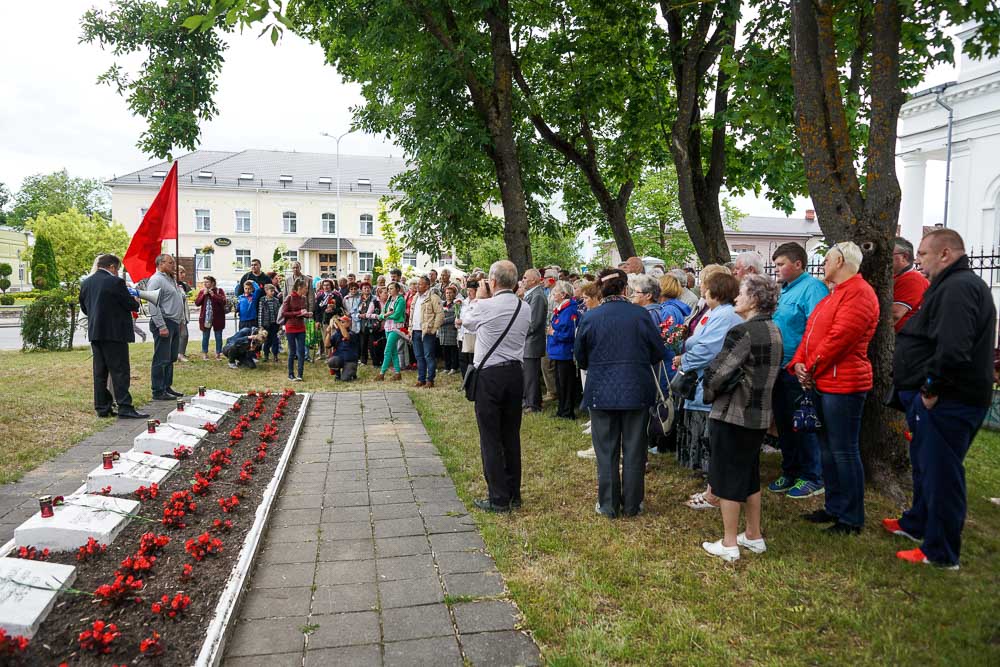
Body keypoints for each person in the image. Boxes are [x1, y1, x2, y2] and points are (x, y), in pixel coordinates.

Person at [887, 229, 996, 569]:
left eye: (922, 254)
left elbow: (953, 348)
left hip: (952, 399)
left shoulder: (959, 288)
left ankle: (941, 551)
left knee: (943, 475)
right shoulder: (948, 285)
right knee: (924, 466)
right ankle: (917, 522)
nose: (918, 260)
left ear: (945, 254)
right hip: (940, 397)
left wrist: (931, 390)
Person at [790, 241, 879, 535]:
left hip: (844, 384)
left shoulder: (859, 294)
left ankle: (851, 517)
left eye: (827, 259)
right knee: (828, 448)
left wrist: (810, 367)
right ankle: (834, 506)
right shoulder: (832, 295)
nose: (823, 264)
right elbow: (811, 332)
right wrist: (799, 363)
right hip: (823, 381)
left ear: (840, 260)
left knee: (844, 450)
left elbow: (841, 339)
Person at [699, 274, 783, 561]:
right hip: (758, 416)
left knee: (727, 478)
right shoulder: (774, 330)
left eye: (742, 292)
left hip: (733, 413)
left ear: (755, 299)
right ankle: (753, 535)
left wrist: (707, 389)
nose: (736, 297)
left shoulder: (743, 332)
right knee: (749, 475)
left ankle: (729, 542)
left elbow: (718, 373)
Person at [575, 268, 664, 517]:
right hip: (636, 389)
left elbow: (580, 358)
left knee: (606, 450)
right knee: (635, 449)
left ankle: (608, 504)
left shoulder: (591, 317)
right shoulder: (640, 315)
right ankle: (633, 504)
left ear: (602, 290)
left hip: (601, 390)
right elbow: (657, 352)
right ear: (625, 288)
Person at [462, 260, 531, 512]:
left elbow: (466, 322)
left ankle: (498, 497)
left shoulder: (484, 306)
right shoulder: (525, 308)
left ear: (492, 281)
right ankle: (514, 492)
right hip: (515, 373)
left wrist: (477, 298)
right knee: (511, 435)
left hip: (490, 375)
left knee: (490, 437)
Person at [767, 242, 830, 499]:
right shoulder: (785, 290)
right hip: (780, 367)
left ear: (798, 264)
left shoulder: (812, 289)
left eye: (781, 264)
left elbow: (818, 330)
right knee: (783, 423)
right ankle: (790, 470)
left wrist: (808, 365)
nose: (777, 269)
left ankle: (812, 476)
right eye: (776, 264)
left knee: (803, 424)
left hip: (799, 369)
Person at [673, 268, 743, 488]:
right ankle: (704, 472)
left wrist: (684, 360)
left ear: (717, 292)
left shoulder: (725, 315)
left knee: (708, 433)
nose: (702, 290)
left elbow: (709, 349)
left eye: (706, 286)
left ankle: (711, 477)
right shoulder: (713, 312)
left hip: (709, 379)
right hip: (701, 378)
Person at [78, 254, 147, 419]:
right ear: (112, 267)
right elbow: (131, 305)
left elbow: (85, 308)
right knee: (120, 371)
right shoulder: (116, 282)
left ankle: (102, 407)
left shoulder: (86, 282)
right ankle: (125, 406)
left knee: (100, 372)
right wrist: (135, 299)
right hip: (115, 333)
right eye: (117, 269)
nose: (117, 272)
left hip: (96, 332)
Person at [146, 254, 185, 400]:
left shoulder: (171, 279)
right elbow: (152, 304)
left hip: (174, 322)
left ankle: (166, 387)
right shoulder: (156, 280)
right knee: (161, 358)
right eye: (170, 263)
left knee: (170, 357)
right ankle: (158, 390)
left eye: (173, 263)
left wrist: (180, 321)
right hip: (164, 322)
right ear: (161, 264)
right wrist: (161, 325)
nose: (173, 266)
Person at [547, 280, 579, 420]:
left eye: (556, 292)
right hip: (558, 351)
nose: (553, 294)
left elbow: (569, 333)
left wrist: (554, 333)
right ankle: (561, 409)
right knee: (560, 383)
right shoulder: (561, 309)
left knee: (566, 384)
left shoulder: (569, 310)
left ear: (564, 294)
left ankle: (567, 411)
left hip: (565, 352)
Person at [410, 275, 444, 388]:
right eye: (417, 284)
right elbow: (412, 314)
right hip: (415, 330)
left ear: (427, 286)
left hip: (427, 331)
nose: (417, 286)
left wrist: (434, 329)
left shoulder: (433, 297)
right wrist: (410, 329)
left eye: (420, 284)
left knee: (428, 356)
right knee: (419, 356)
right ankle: (421, 379)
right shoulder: (415, 297)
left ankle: (430, 380)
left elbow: (440, 314)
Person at [521, 269, 547, 413]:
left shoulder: (537, 296)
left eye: (525, 278)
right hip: (528, 342)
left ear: (534, 280)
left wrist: (519, 331)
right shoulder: (532, 294)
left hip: (532, 342)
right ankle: (530, 401)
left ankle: (533, 404)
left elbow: (534, 323)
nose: (522, 280)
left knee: (531, 375)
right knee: (528, 374)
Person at [891, 236, 929, 333]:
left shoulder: (913, 279)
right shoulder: (899, 276)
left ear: (904, 257)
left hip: (906, 339)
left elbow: (895, 314)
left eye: (890, 254)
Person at [281, 278, 313, 381]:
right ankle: (290, 374)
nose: (307, 290)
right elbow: (284, 313)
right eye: (305, 288)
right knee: (292, 351)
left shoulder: (303, 298)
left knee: (301, 351)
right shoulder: (289, 298)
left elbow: (302, 312)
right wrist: (298, 313)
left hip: (300, 327)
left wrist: (307, 315)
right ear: (299, 288)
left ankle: (300, 374)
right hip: (290, 327)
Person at [376, 282, 407, 381]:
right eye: (388, 289)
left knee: (387, 350)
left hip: (396, 328)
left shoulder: (401, 300)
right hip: (388, 326)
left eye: (392, 288)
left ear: (397, 289)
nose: (389, 290)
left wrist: (385, 316)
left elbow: (397, 315)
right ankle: (398, 373)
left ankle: (382, 373)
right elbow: (382, 313)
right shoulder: (389, 300)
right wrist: (385, 315)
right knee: (393, 351)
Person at [195, 276, 227, 360]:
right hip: (206, 318)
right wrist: (203, 295)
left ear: (212, 283)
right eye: (204, 282)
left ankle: (218, 354)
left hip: (218, 318)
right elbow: (197, 303)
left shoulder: (219, 291)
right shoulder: (202, 291)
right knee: (205, 336)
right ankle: (205, 353)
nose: (205, 284)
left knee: (218, 336)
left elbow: (223, 302)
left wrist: (214, 295)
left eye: (207, 282)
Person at [326, 315, 360, 381]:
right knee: (331, 361)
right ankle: (337, 375)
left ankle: (353, 372)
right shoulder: (337, 334)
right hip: (340, 358)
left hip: (350, 360)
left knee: (345, 379)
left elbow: (346, 336)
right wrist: (328, 333)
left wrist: (338, 322)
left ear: (348, 323)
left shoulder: (352, 333)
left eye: (343, 322)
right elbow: (327, 345)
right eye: (340, 322)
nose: (341, 323)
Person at [358, 282, 381, 366]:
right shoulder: (359, 299)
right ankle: (363, 360)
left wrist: (368, 315)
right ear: (361, 290)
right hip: (362, 323)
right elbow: (355, 309)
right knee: (363, 343)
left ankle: (375, 361)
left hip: (372, 323)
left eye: (368, 288)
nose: (367, 289)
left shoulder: (375, 299)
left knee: (372, 344)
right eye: (365, 288)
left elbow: (378, 310)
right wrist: (359, 315)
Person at [439, 284, 460, 374]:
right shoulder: (441, 304)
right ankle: (446, 367)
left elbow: (456, 316)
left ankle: (454, 367)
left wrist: (443, 321)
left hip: (452, 330)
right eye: (447, 293)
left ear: (454, 294)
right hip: (442, 332)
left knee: (453, 350)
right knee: (445, 350)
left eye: (450, 293)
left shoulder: (457, 304)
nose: (448, 294)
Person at [257, 284, 282, 362]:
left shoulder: (276, 301)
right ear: (266, 291)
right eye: (271, 291)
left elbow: (279, 313)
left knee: (275, 340)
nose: (273, 292)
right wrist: (261, 325)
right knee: (267, 340)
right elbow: (260, 313)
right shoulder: (262, 300)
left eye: (273, 291)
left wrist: (280, 323)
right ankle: (266, 355)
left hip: (274, 324)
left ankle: (275, 355)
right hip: (266, 324)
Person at [175, 265, 192, 362]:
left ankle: (181, 353)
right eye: (181, 272)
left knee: (184, 334)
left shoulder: (182, 285)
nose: (183, 275)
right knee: (181, 334)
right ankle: (178, 354)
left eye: (183, 272)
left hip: (183, 313)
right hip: (176, 314)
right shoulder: (172, 284)